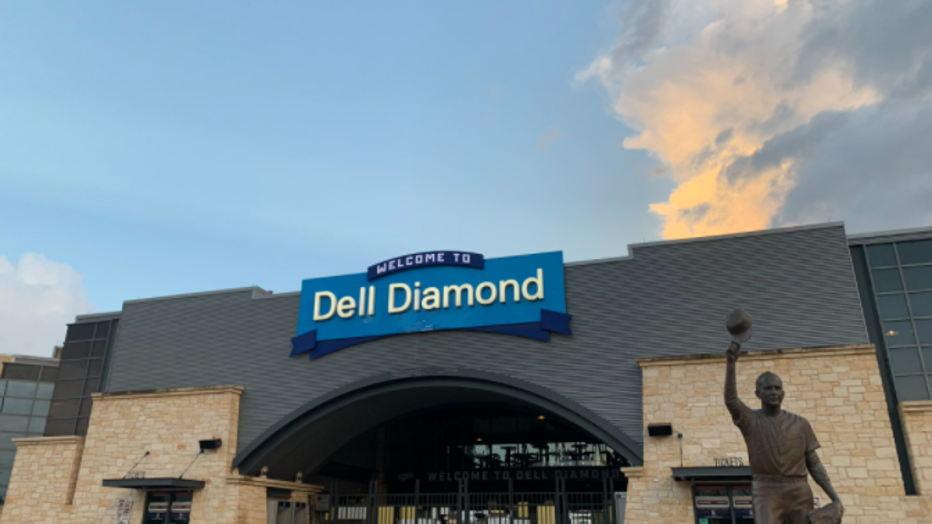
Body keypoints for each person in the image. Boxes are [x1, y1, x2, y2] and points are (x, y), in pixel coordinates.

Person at [725, 341, 843, 523]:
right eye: (768, 388)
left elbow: (814, 463)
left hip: (799, 490)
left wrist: (834, 497)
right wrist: (731, 364)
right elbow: (731, 401)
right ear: (757, 394)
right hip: (766, 490)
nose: (773, 392)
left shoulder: (800, 424)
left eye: (777, 388)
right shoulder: (750, 420)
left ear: (783, 394)